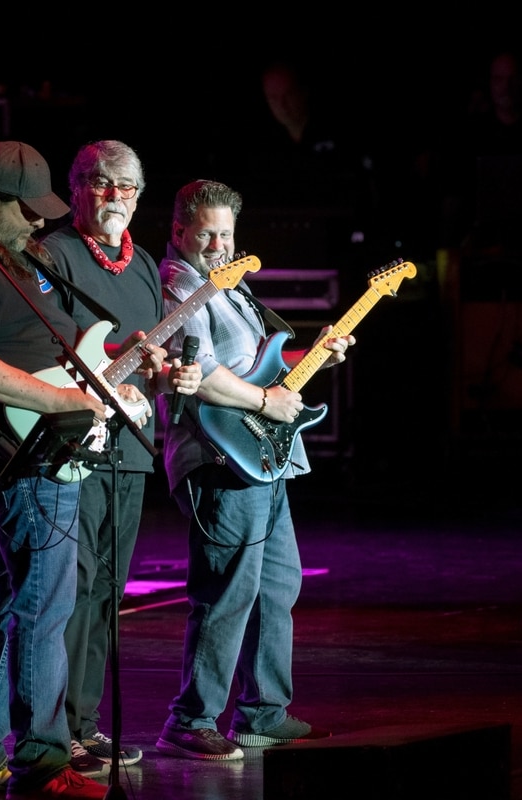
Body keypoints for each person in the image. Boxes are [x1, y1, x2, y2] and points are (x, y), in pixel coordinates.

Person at [0, 140, 166, 799]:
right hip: (16, 447)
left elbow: (52, 346)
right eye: (25, 209)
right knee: (44, 607)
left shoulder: (18, 254)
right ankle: (42, 764)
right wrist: (61, 401)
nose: (36, 221)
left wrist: (114, 363)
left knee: (14, 600)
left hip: (50, 439)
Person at [154, 179, 353, 760]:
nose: (219, 246)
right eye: (207, 235)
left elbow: (255, 367)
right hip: (218, 456)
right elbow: (203, 372)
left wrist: (311, 357)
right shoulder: (179, 287)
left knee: (277, 584)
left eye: (227, 234)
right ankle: (190, 720)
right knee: (227, 591)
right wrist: (267, 401)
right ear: (179, 232)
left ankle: (263, 713)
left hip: (261, 453)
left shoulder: (231, 285)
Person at [41, 140, 201, 771]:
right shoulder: (55, 253)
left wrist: (169, 377)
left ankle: (85, 723)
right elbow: (43, 350)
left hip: (131, 448)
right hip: (73, 444)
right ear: (77, 189)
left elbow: (146, 374)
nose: (115, 197)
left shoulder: (144, 269)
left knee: (108, 590)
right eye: (102, 183)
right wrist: (109, 363)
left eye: (126, 187)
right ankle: (56, 732)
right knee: (72, 586)